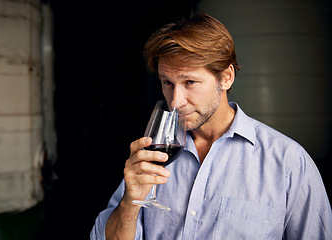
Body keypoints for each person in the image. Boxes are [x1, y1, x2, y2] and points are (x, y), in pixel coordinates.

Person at [90, 14, 332, 239]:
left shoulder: (288, 162)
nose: (175, 101)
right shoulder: (153, 154)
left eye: (190, 82)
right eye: (167, 82)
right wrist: (129, 202)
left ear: (226, 78)